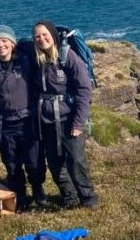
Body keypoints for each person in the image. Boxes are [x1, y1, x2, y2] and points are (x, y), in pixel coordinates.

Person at [31, 20, 98, 209]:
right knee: (54, 163)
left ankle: (88, 198)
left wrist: (78, 123)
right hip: (46, 120)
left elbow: (84, 89)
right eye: (37, 36)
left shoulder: (67, 56)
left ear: (53, 35)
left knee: (76, 161)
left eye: (45, 35)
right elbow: (10, 47)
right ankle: (69, 197)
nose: (42, 39)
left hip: (68, 120)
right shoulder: (35, 57)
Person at [0, 24, 47, 211]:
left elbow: (30, 43)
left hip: (27, 120)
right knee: (11, 164)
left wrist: (18, 45)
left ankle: (38, 189)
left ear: (12, 43)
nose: (0, 44)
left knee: (34, 161)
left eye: (4, 40)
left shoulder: (25, 60)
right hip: (4, 123)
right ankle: (20, 196)